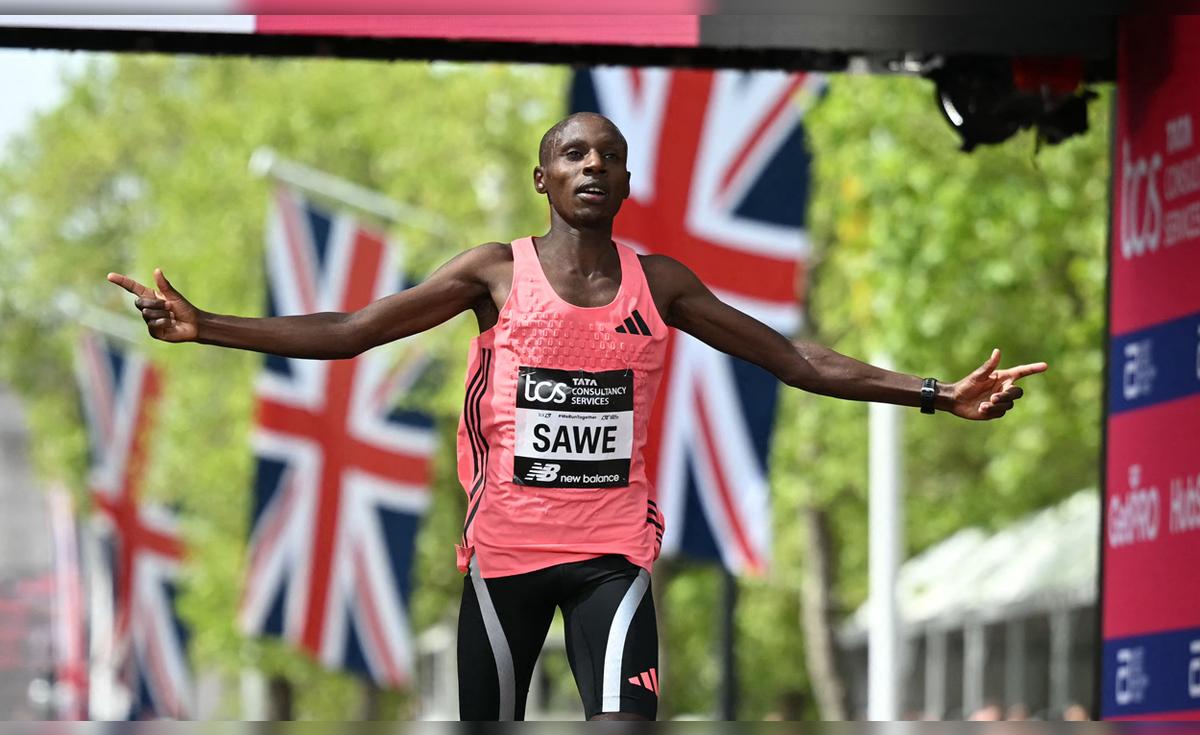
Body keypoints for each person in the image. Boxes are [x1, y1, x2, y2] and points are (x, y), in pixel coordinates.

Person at [107, 112, 1047, 721]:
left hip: (611, 559)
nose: (593, 164)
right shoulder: (491, 274)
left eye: (609, 156)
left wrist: (934, 392)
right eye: (574, 153)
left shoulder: (661, 283)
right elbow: (354, 330)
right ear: (543, 179)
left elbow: (793, 358)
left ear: (624, 184)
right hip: (503, 557)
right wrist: (210, 326)